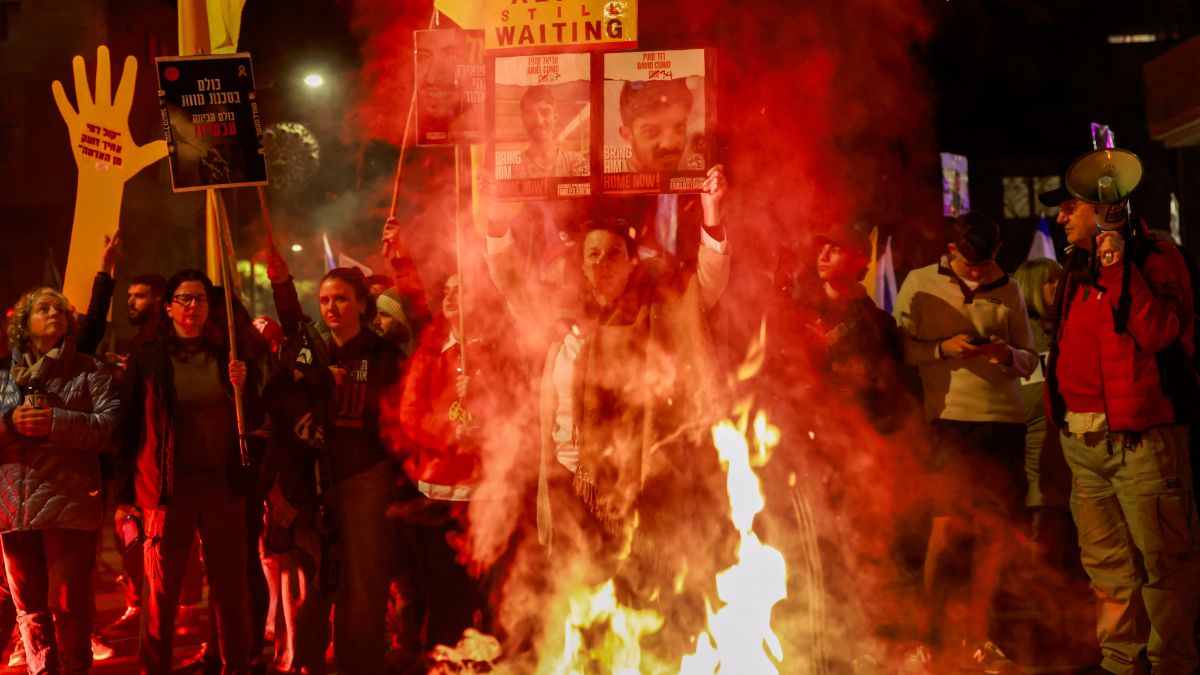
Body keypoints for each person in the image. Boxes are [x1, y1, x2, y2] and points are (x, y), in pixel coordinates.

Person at [485, 164, 729, 665]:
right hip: (573, 486)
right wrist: (494, 223)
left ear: (630, 259)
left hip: (645, 484)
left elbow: (709, 282)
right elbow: (509, 282)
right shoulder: (558, 314)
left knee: (644, 598)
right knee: (579, 601)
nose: (600, 264)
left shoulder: (660, 309)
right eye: (591, 254)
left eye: (612, 253)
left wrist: (712, 213)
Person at [1039, 180, 1200, 675]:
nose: (1061, 219)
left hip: (1142, 442)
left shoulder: (1157, 258)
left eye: (1071, 207)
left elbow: (1158, 333)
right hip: (1084, 444)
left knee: (1164, 567)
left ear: (1106, 208)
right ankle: (1118, 665)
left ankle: (1171, 665)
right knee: (1107, 571)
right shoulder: (1076, 263)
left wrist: (1116, 264)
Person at [892, 212, 1038, 671]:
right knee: (947, 530)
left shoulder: (1009, 288)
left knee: (993, 535)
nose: (977, 273)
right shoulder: (919, 282)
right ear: (952, 250)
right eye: (970, 264)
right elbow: (900, 350)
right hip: (950, 421)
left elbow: (1031, 360)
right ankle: (931, 638)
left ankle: (981, 636)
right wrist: (942, 350)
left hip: (1004, 422)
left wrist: (1004, 353)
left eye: (985, 265)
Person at [118, 270, 262, 675]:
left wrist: (244, 386)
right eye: (183, 299)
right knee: (161, 593)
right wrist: (124, 495)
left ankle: (236, 666)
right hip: (167, 489)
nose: (192, 307)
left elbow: (252, 419)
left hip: (222, 485)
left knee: (230, 591)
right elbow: (127, 423)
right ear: (167, 307)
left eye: (200, 299)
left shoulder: (228, 354)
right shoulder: (148, 356)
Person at [268, 261, 401, 675]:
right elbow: (279, 393)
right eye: (325, 300)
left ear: (363, 305)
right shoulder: (312, 351)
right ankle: (307, 663)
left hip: (365, 478)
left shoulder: (383, 355)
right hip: (314, 483)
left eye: (341, 299)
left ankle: (358, 666)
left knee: (363, 585)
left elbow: (400, 419)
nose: (332, 308)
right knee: (320, 583)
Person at [0, 287, 119, 674]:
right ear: (23, 325)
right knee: (29, 610)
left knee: (69, 608)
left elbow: (110, 429)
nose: (54, 313)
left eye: (60, 309)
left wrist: (56, 422)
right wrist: (9, 424)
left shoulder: (90, 369)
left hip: (68, 502)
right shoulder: (4, 379)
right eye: (43, 309)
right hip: (14, 509)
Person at [1011, 258, 1072, 560]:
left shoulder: (1070, 325)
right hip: (1030, 440)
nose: (1058, 284)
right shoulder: (1019, 333)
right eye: (1050, 280)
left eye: (1060, 277)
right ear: (1031, 287)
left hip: (1067, 440)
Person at [617, 79, 696, 173]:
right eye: (651, 132)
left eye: (679, 127)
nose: (669, 144)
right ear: (627, 135)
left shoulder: (699, 169)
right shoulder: (608, 178)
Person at [510, 86, 587, 180]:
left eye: (545, 113)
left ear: (555, 116)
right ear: (523, 119)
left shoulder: (577, 161)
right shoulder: (512, 168)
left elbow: (588, 190)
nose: (539, 121)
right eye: (531, 114)